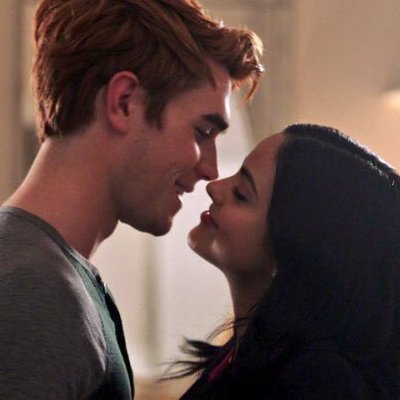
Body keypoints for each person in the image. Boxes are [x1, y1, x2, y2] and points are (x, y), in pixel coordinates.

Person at [0, 0, 264, 399]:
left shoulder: (51, 274)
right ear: (124, 102)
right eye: (203, 132)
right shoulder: (36, 292)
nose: (211, 170)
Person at [173, 124, 400, 399]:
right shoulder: (249, 352)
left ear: (297, 245)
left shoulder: (316, 381)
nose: (214, 187)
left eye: (241, 193)